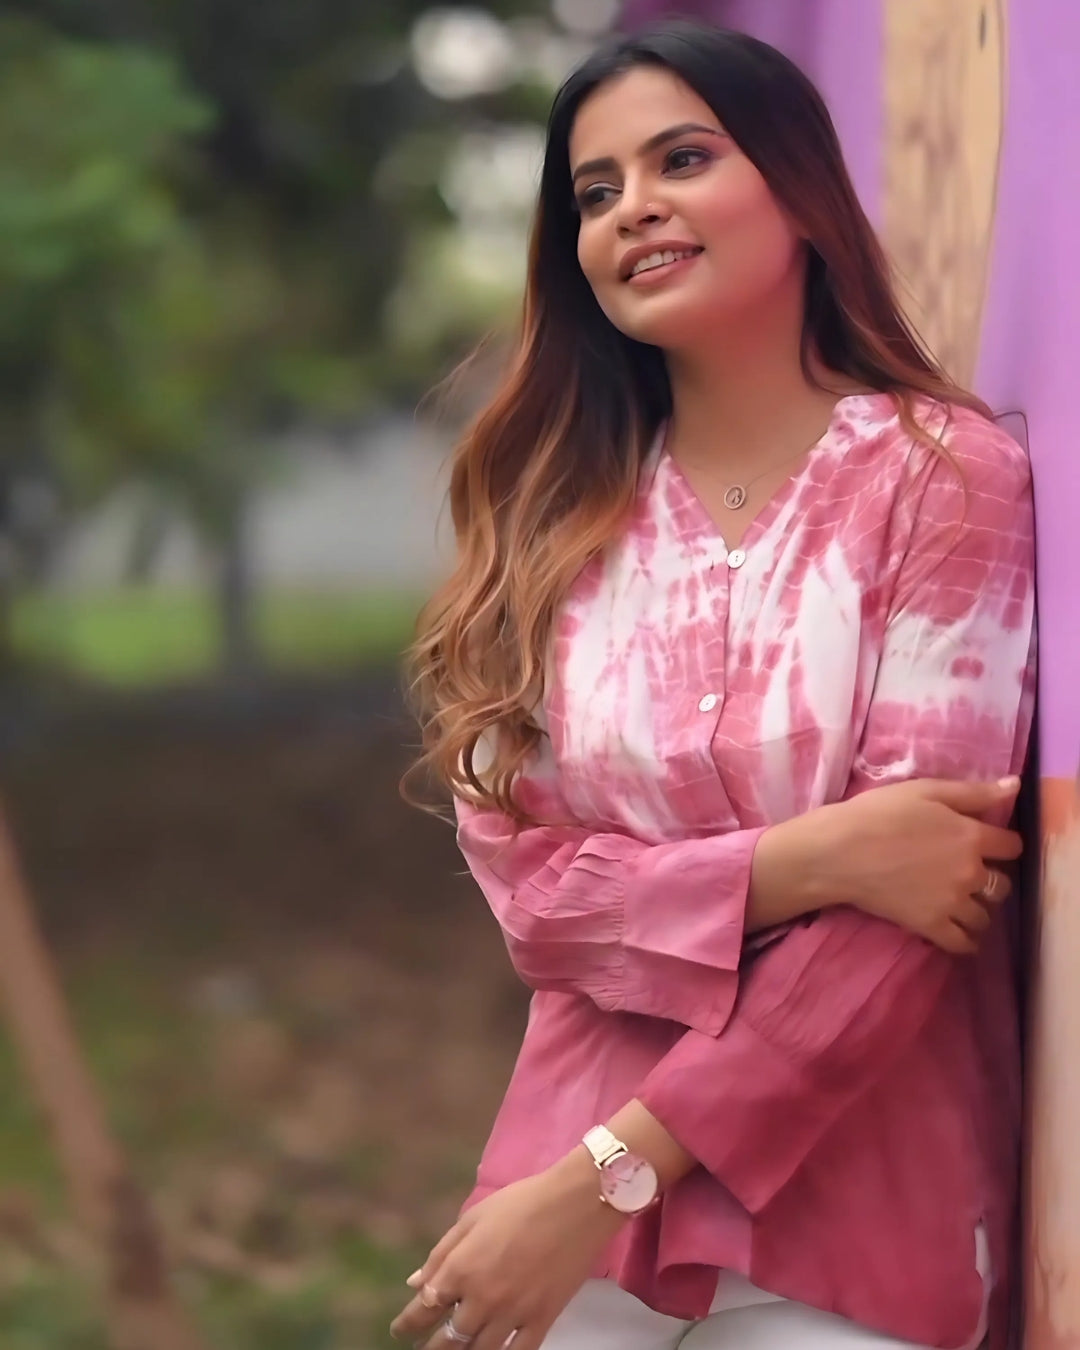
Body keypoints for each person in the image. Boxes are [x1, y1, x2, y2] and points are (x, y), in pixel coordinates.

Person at [392, 20, 1035, 1350]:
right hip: (557, 1229)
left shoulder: (938, 479)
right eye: (596, 191)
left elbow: (916, 916)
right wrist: (810, 859)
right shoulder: (554, 515)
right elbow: (537, 903)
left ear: (797, 188)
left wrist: (603, 1176)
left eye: (682, 159)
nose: (634, 206)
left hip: (851, 1216)